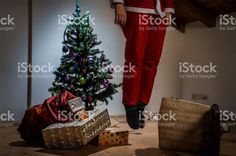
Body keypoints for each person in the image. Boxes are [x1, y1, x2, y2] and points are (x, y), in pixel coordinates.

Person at [112, 0, 175, 129]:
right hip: (136, 8)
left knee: (152, 62)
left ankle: (141, 105)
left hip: (160, 13)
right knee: (134, 59)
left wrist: (168, 10)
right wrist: (118, 3)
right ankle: (130, 105)